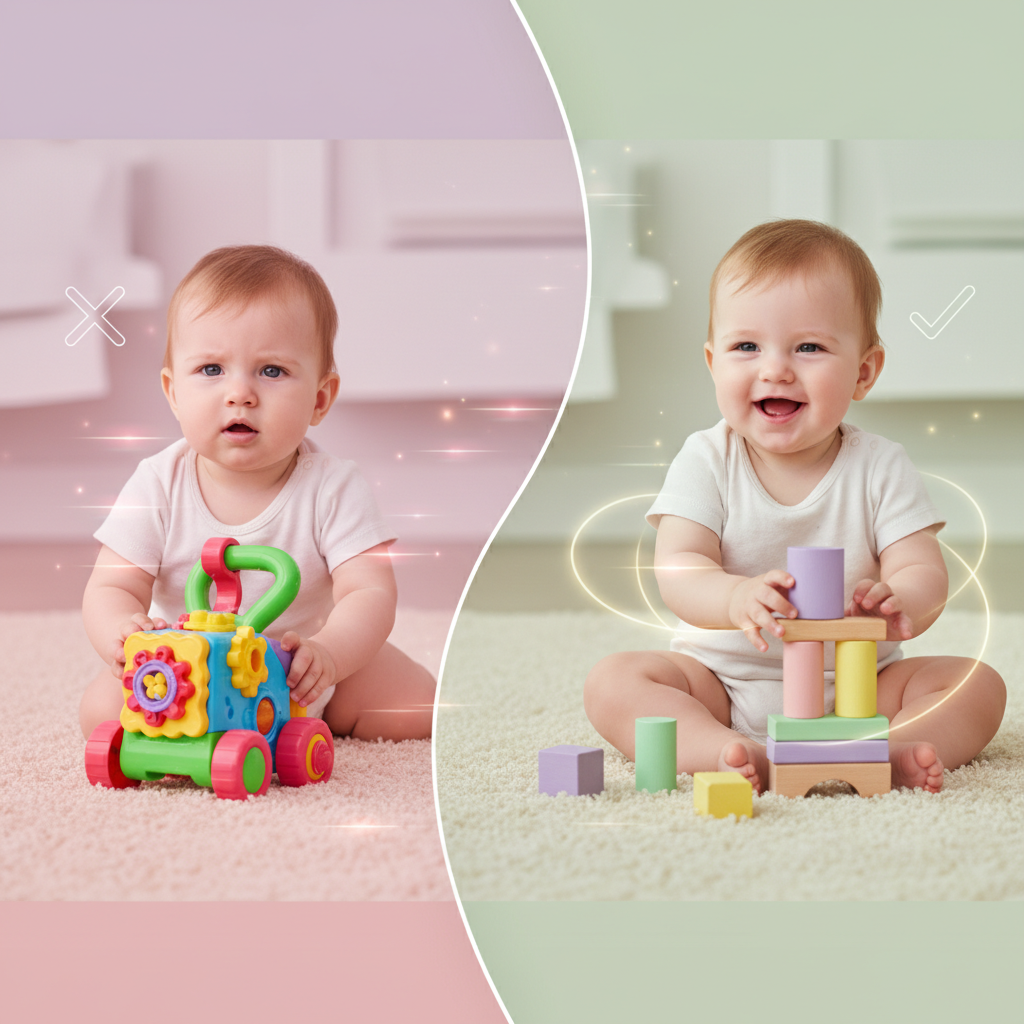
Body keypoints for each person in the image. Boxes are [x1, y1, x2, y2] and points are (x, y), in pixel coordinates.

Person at [584, 220, 1005, 794]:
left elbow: (921, 566)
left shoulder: (880, 466)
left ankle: (887, 748)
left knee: (977, 684)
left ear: (864, 372)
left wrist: (901, 599)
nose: (775, 368)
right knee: (615, 681)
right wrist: (734, 595)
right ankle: (727, 752)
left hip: (858, 687)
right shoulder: (707, 459)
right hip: (726, 682)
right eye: (746, 347)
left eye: (808, 347)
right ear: (713, 362)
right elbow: (679, 567)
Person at [80, 244, 435, 743]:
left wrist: (330, 655)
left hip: (300, 672)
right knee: (99, 713)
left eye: (271, 371)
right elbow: (111, 587)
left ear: (319, 398)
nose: (240, 393)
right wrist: (122, 634)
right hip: (186, 678)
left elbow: (369, 593)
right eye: (211, 370)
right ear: (173, 392)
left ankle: (317, 718)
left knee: (420, 708)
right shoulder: (158, 482)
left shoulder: (333, 487)